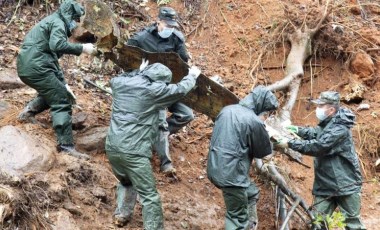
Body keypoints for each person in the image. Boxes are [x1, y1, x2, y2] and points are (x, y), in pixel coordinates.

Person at [105, 62, 201, 229]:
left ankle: (122, 215)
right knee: (150, 196)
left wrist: (138, 72)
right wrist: (192, 76)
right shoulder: (153, 91)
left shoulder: (120, 83)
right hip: (134, 151)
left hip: (112, 147)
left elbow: (116, 79)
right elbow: (179, 89)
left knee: (127, 181)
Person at [16, 0, 97, 159]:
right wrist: (83, 48)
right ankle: (66, 146)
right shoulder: (58, 23)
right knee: (61, 100)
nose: (75, 24)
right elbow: (58, 45)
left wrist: (64, 84)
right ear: (69, 15)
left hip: (29, 67)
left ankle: (27, 114)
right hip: (36, 67)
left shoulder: (53, 21)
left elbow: (51, 58)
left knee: (55, 90)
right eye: (74, 19)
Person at [275, 91, 366, 230]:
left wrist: (289, 143)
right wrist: (297, 130)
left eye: (321, 105)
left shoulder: (340, 127)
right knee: (317, 222)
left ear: (331, 109)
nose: (318, 108)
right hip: (325, 185)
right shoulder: (329, 122)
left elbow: (319, 146)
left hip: (345, 184)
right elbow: (315, 133)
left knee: (353, 225)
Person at [127, 6, 192, 174]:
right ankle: (165, 163)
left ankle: (156, 139)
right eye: (167, 25)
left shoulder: (176, 39)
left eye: (172, 26)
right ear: (158, 21)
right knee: (161, 122)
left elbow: (184, 64)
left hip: (170, 86)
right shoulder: (141, 38)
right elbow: (126, 59)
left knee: (186, 114)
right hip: (150, 89)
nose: (169, 29)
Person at [207, 86, 279, 230]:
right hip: (232, 177)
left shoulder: (227, 110)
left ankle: (250, 225)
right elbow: (263, 153)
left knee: (252, 193)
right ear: (262, 108)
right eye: (267, 114)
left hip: (215, 167)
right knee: (236, 218)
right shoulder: (254, 121)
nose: (266, 117)